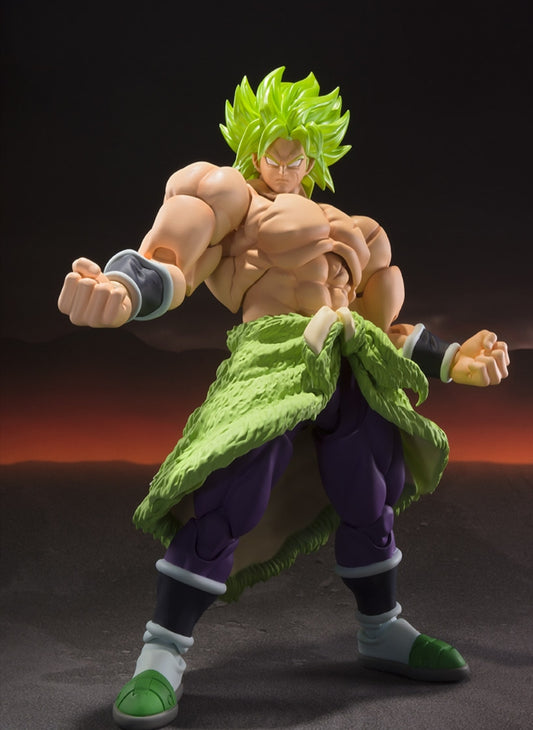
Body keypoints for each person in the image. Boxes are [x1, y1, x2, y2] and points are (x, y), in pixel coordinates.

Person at [58, 67, 509, 730]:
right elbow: (173, 259)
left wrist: (452, 359)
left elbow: (383, 328)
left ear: (317, 157)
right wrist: (123, 290)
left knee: (370, 493)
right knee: (230, 494)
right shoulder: (228, 195)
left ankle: (381, 628)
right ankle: (161, 654)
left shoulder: (358, 230)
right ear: (251, 146)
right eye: (274, 149)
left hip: (350, 363)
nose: (286, 163)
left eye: (299, 154)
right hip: (272, 359)